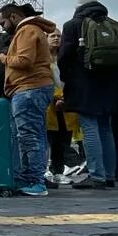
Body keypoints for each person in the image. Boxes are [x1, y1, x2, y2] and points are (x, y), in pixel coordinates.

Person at [58, 0, 118, 189]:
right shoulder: (114, 25)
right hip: (110, 85)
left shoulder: (73, 25)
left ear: (78, 6)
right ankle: (109, 174)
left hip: (84, 84)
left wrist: (68, 80)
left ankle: (96, 174)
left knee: (89, 127)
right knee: (106, 128)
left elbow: (64, 57)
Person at [0, 3, 57, 196]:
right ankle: (32, 179)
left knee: (29, 136)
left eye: (2, 22)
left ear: (13, 17)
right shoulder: (33, 30)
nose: (2, 27)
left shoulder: (26, 31)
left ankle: (36, 182)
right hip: (33, 88)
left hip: (29, 88)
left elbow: (24, 60)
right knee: (35, 134)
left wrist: (3, 59)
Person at [45, 29, 79, 187]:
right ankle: (49, 170)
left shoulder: (65, 58)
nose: (56, 39)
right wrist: (56, 97)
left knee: (64, 136)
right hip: (50, 104)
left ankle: (58, 171)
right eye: (53, 36)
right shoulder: (42, 59)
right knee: (51, 138)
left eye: (59, 36)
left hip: (67, 102)